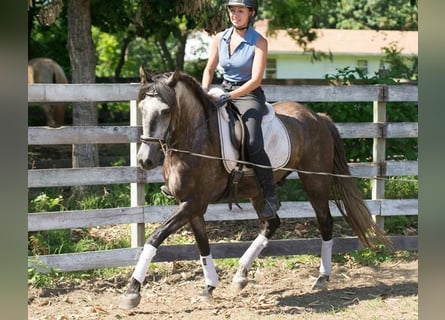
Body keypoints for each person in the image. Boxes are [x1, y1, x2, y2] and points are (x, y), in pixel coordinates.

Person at [162, 0, 280, 221]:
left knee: (252, 140)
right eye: (232, 10)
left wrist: (230, 96)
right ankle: (176, 179)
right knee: (191, 126)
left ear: (251, 13)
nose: (235, 14)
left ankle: (270, 194)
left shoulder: (259, 42)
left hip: (248, 95)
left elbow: (256, 80)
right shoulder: (220, 38)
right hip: (222, 89)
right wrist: (203, 93)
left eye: (240, 11)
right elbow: (209, 68)